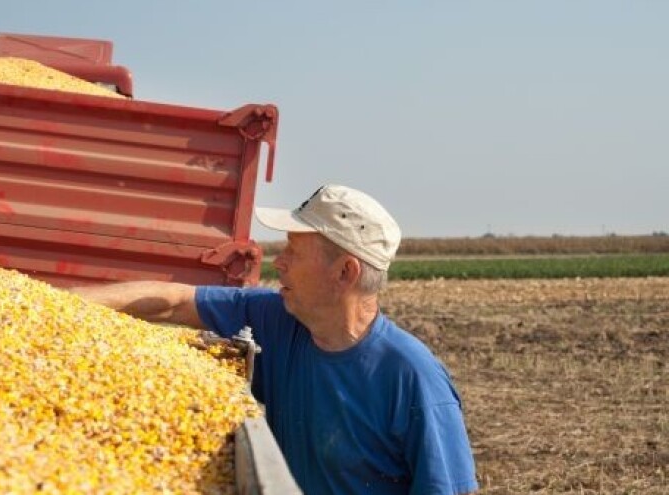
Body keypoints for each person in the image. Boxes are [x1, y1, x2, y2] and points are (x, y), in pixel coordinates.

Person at [71, 184, 478, 495]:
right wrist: (40, 304)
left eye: (293, 251)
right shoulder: (280, 321)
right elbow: (173, 304)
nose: (277, 262)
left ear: (345, 273)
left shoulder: (412, 379)